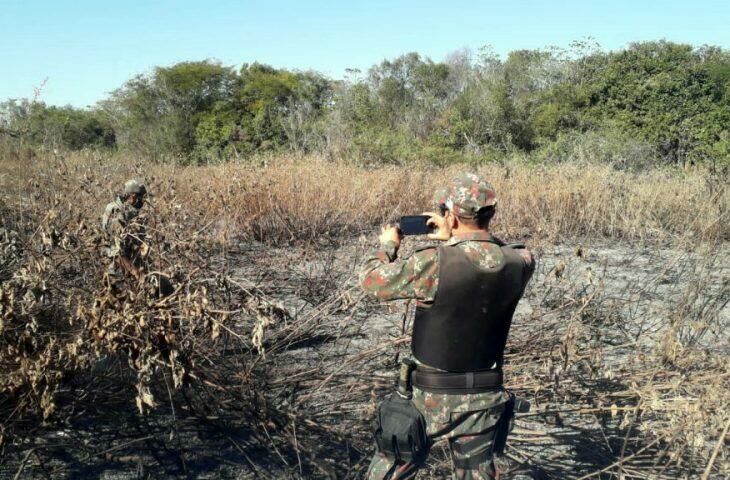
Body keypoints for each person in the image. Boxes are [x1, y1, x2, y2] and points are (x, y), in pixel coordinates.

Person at [360, 172, 536, 479]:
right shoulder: (522, 261)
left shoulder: (433, 261)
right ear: (490, 213)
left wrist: (388, 245)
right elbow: (490, 258)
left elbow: (372, 281)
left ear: (451, 216)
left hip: (427, 397)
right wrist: (456, 237)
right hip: (485, 397)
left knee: (391, 467)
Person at [101, 179, 149, 282]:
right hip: (117, 269)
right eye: (142, 198)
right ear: (133, 196)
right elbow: (116, 252)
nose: (143, 201)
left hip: (130, 263)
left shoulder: (130, 210)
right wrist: (135, 272)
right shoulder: (117, 212)